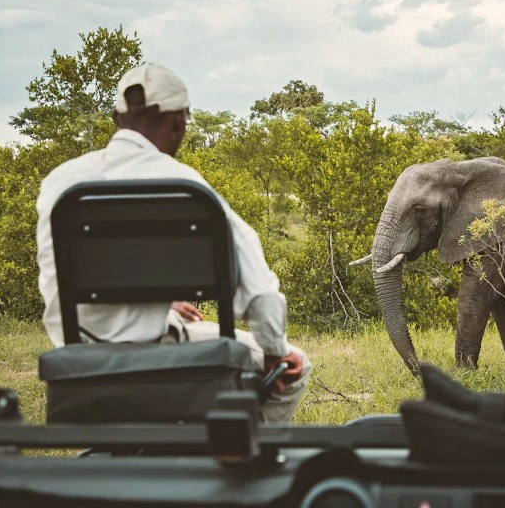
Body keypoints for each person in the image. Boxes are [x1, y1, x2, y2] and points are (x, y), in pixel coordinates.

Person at [36, 63, 311, 424]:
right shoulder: (183, 185)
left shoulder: (62, 181)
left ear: (118, 120)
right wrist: (274, 351)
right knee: (296, 365)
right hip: (154, 352)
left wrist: (155, 304)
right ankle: (244, 464)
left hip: (78, 357)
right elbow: (258, 291)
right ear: (179, 121)